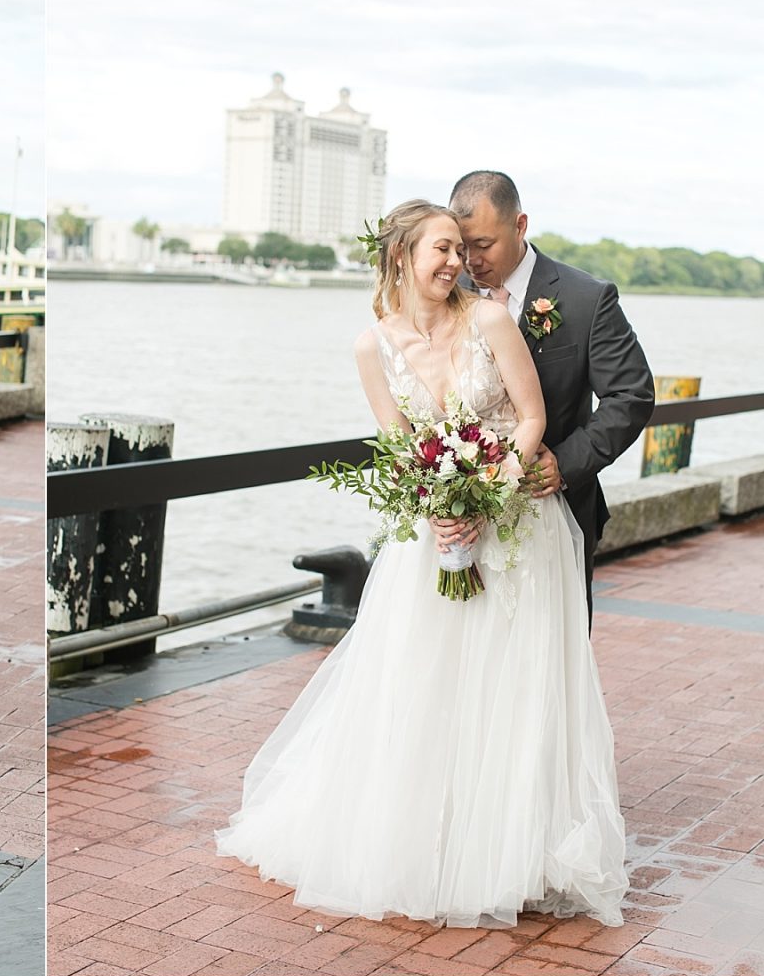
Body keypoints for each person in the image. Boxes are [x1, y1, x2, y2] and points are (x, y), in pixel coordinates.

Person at [216, 199, 627, 928]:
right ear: (402, 256)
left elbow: (530, 418)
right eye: (440, 249)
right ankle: (426, 843)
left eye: (459, 249)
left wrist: (489, 496)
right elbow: (399, 443)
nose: (455, 263)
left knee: (513, 683)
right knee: (423, 681)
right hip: (432, 536)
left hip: (519, 530)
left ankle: (512, 851)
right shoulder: (370, 347)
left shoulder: (491, 321)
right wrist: (434, 502)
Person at [448, 170, 654, 627]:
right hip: (465, 520)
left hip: (557, 510)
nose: (471, 261)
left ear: (520, 226)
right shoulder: (446, 295)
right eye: (462, 247)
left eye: (483, 244)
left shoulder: (587, 299)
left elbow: (632, 395)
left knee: (552, 655)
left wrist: (565, 462)